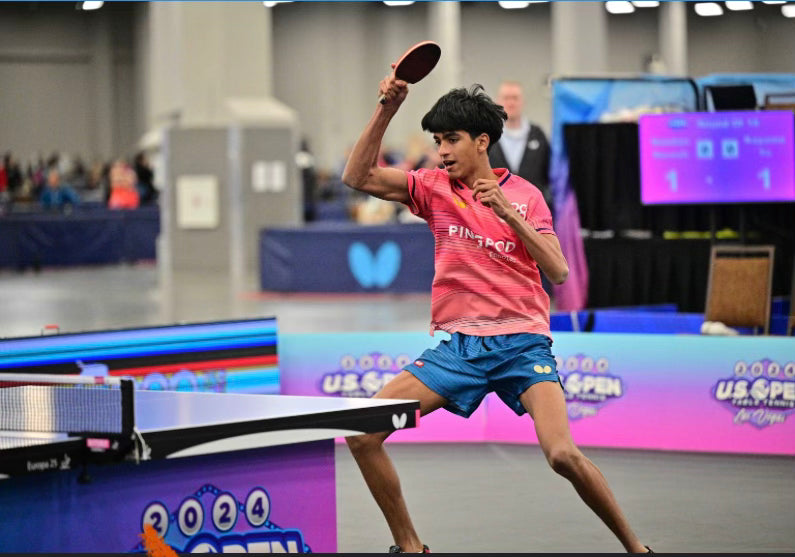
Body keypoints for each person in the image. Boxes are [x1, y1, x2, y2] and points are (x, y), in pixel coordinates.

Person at [341, 72, 653, 554]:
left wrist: (508, 213)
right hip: (460, 348)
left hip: (522, 345)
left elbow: (559, 270)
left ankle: (637, 548)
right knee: (363, 433)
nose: (442, 150)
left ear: (481, 141)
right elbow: (355, 177)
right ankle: (410, 546)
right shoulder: (431, 187)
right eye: (437, 140)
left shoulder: (527, 196)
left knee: (563, 454)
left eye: (452, 139)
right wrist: (386, 108)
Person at [489, 80, 552, 213]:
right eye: (506, 98)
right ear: (497, 102)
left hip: (534, 212)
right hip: (495, 213)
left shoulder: (538, 134)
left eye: (515, 98)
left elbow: (549, 174)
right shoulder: (488, 137)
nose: (511, 103)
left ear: (522, 102)